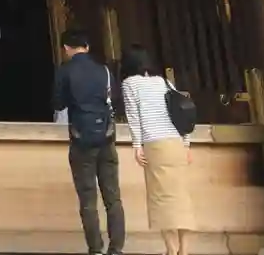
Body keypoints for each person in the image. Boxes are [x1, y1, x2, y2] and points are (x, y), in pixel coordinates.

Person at [53, 28, 125, 255]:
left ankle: (95, 249)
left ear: (66, 48)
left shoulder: (65, 71)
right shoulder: (104, 70)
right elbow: (115, 99)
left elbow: (58, 103)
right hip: (106, 138)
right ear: (87, 46)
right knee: (113, 197)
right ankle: (117, 248)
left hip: (81, 140)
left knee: (88, 199)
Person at [120, 46, 193, 255]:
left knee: (161, 199)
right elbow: (182, 114)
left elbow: (134, 118)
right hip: (176, 143)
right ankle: (184, 250)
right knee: (181, 197)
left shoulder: (130, 84)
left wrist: (137, 146)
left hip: (155, 144)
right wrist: (186, 144)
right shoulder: (164, 82)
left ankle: (171, 250)